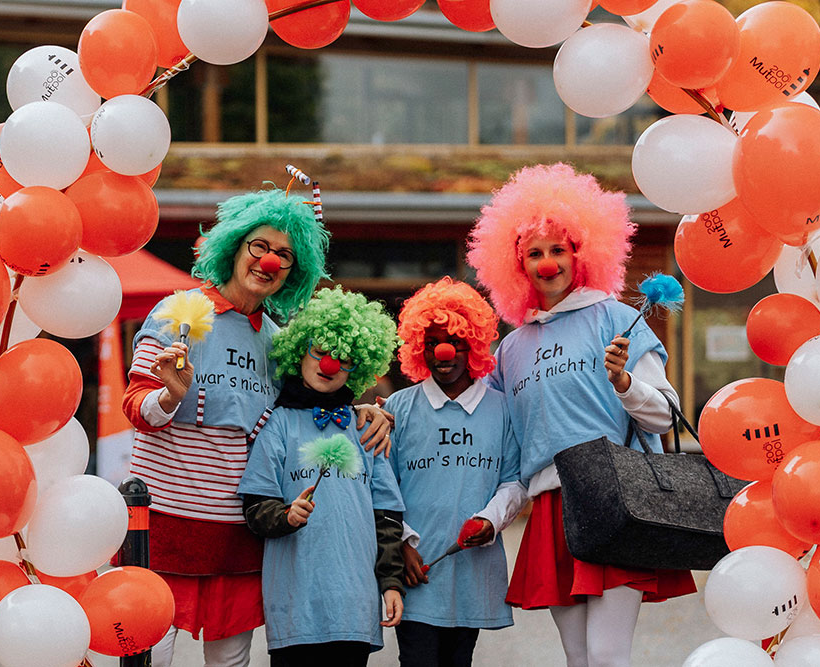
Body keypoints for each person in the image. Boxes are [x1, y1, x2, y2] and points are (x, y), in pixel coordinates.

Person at [121, 186, 391, 667]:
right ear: (235, 247)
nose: (268, 262)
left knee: (230, 662)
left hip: (240, 530)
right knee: (150, 657)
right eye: (260, 247)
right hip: (168, 524)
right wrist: (171, 395)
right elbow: (135, 407)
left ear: (294, 271)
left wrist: (366, 412)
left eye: (284, 255)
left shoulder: (278, 341)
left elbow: (313, 403)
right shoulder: (178, 313)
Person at [466, 163, 696, 667]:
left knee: (608, 655)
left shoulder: (616, 318)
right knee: (577, 658)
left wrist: (624, 382)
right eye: (534, 253)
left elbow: (667, 416)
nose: (547, 263)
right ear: (517, 264)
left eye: (558, 249)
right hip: (550, 507)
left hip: (617, 497)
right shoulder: (511, 349)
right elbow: (493, 433)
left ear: (581, 252)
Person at [238, 286, 406, 667]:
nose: (329, 365)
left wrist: (391, 582)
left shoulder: (365, 428)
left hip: (354, 606)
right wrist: (285, 516)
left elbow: (387, 517)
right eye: (320, 351)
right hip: (295, 606)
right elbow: (254, 505)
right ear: (301, 352)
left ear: (359, 366)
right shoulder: (278, 424)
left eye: (343, 358)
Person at [384, 277, 527, 667]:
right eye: (431, 343)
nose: (442, 352)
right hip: (417, 570)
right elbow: (383, 486)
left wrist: (490, 519)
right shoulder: (399, 407)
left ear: (475, 345)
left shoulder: (500, 409)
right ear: (419, 348)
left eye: (455, 342)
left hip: (471, 574)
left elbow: (514, 480)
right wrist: (403, 544)